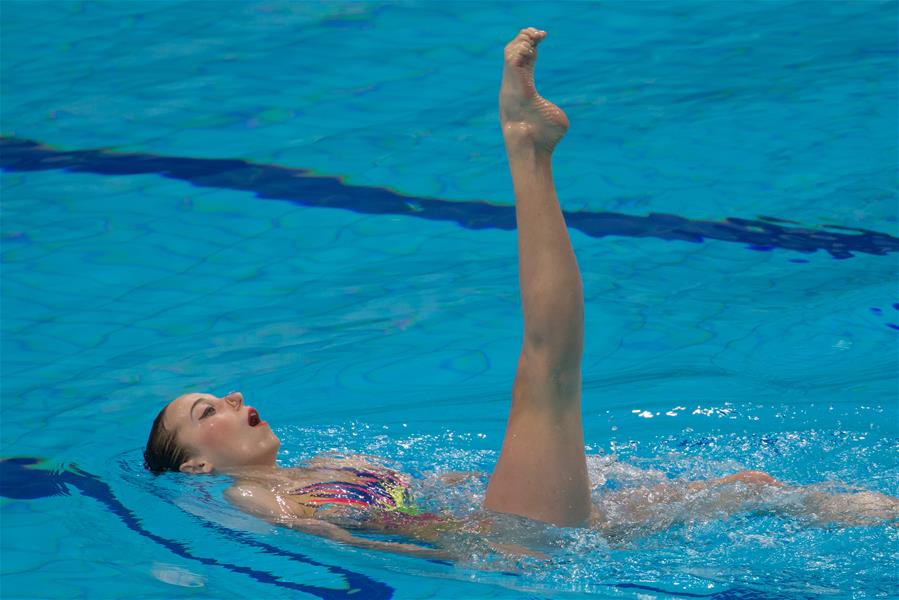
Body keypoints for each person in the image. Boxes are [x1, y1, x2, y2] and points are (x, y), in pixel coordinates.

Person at [143, 28, 897, 560]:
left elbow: (435, 494)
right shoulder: (250, 501)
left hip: (517, 522)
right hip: (506, 549)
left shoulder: (331, 461)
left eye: (217, 393)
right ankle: (525, 147)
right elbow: (379, 554)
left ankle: (878, 515)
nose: (232, 396)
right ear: (197, 469)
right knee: (545, 370)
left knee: (746, 484)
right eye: (205, 410)